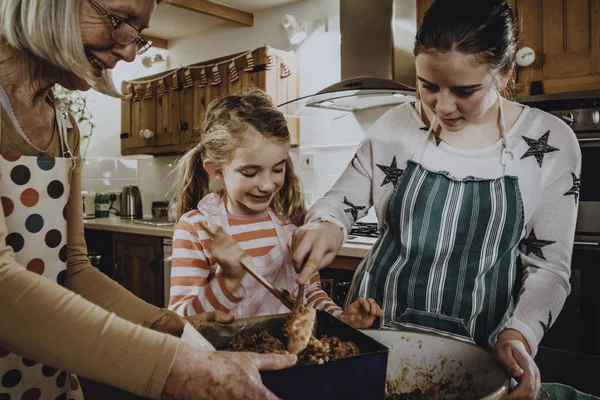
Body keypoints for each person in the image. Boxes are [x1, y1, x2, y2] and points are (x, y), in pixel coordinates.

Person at [0, 1, 295, 399]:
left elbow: (72, 268)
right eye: (118, 21)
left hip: (43, 380)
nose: (127, 51)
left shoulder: (64, 124)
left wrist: (168, 325)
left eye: (136, 35)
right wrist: (174, 367)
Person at [291, 1, 581, 399]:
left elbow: (548, 267)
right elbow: (339, 203)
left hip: (479, 356)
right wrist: (324, 226)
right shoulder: (396, 124)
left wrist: (521, 334)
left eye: (465, 90)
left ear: (505, 73)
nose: (443, 106)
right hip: (375, 341)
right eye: (428, 85)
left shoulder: (550, 143)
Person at [169, 89, 383, 329]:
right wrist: (226, 281)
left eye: (278, 169)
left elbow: (309, 296)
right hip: (228, 361)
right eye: (250, 173)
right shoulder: (197, 229)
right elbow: (181, 319)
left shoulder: (289, 223)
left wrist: (340, 318)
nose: (267, 184)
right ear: (216, 169)